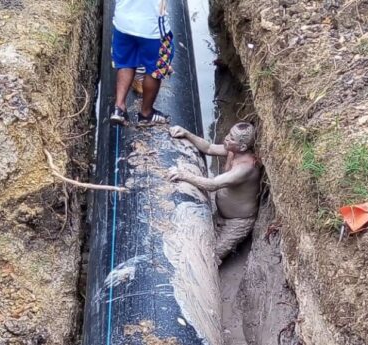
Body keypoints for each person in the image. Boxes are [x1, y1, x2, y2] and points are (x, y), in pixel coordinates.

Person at [169, 123, 261, 264]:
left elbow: (212, 185)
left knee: (210, 257)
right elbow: (209, 148)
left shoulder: (245, 168)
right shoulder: (233, 150)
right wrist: (186, 133)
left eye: (231, 138)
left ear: (242, 147)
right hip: (221, 213)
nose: (226, 138)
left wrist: (184, 175)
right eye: (229, 134)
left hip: (237, 222)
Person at [109, 0, 174, 127]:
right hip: (152, 28)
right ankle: (146, 113)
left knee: (125, 63)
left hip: (123, 22)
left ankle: (119, 108)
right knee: (155, 69)